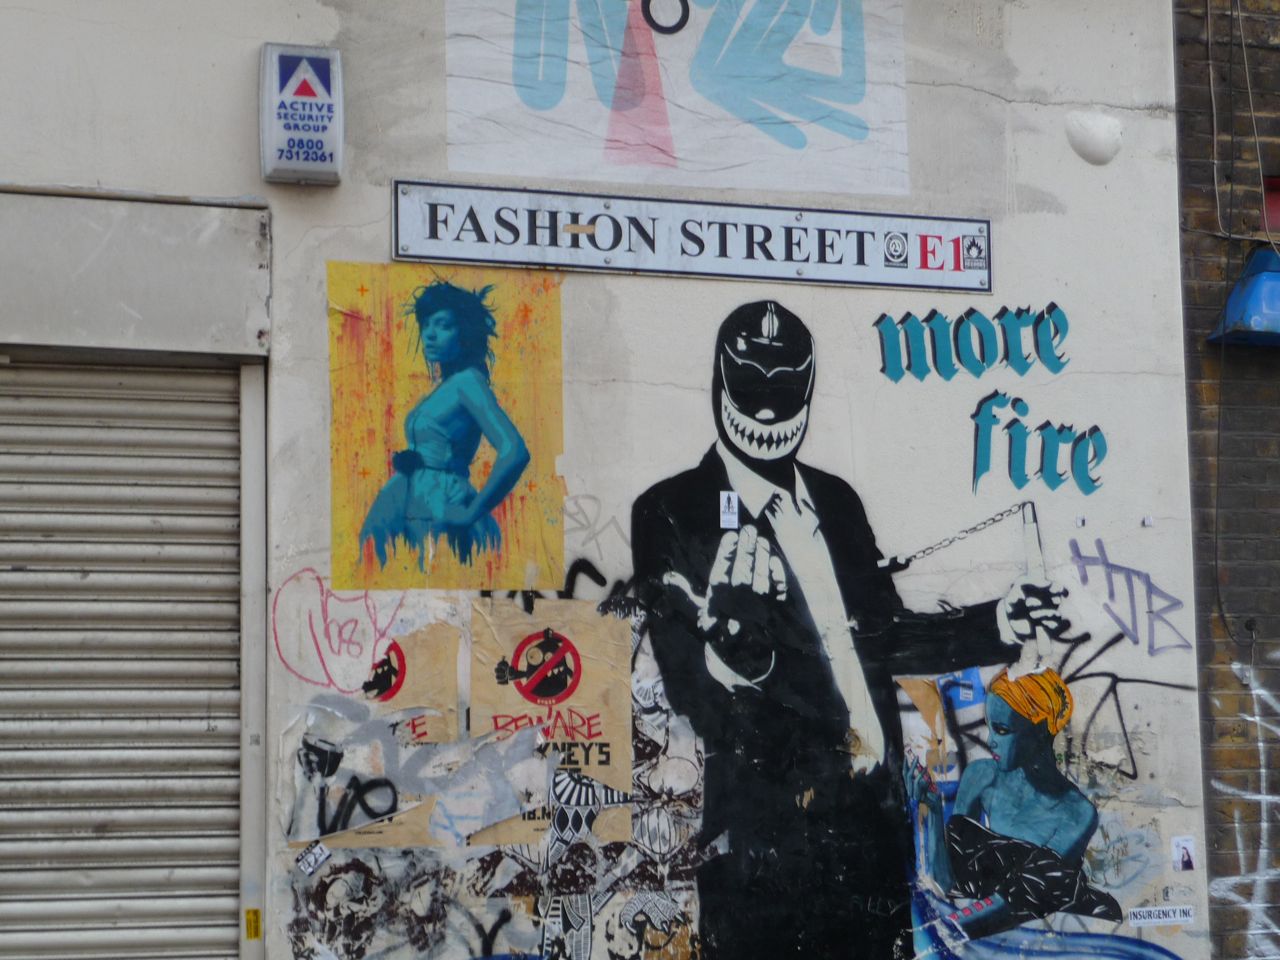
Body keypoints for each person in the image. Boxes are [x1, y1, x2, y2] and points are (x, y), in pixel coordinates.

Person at [630, 301, 1070, 958]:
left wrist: (999, 620)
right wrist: (743, 655)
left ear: (808, 388)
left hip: (870, 830)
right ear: (720, 384)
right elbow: (694, 693)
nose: (768, 413)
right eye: (750, 388)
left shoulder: (836, 502)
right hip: (766, 843)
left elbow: (887, 638)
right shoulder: (672, 511)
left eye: (785, 390)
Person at [906, 668, 1121, 942]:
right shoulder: (980, 777)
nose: (990, 741)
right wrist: (933, 811)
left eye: (1002, 730)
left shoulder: (1078, 814)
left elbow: (1014, 901)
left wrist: (941, 931)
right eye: (989, 727)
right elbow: (947, 882)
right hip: (978, 936)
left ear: (1040, 731)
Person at [360, 281, 530, 566]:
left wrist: (471, 513)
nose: (430, 334)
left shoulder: (468, 381)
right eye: (426, 324)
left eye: (443, 325)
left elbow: (514, 451)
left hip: (440, 505)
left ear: (464, 332)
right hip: (411, 503)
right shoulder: (446, 386)